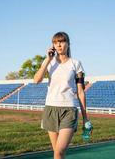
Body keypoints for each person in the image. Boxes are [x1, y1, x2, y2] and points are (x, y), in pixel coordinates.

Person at [34, 31, 90, 159]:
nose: (59, 45)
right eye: (55, 42)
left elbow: (80, 92)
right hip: (50, 109)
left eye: (62, 41)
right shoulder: (49, 62)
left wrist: (85, 118)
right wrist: (48, 60)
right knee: (58, 153)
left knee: (59, 151)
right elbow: (36, 80)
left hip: (69, 110)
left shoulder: (76, 64)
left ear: (68, 44)